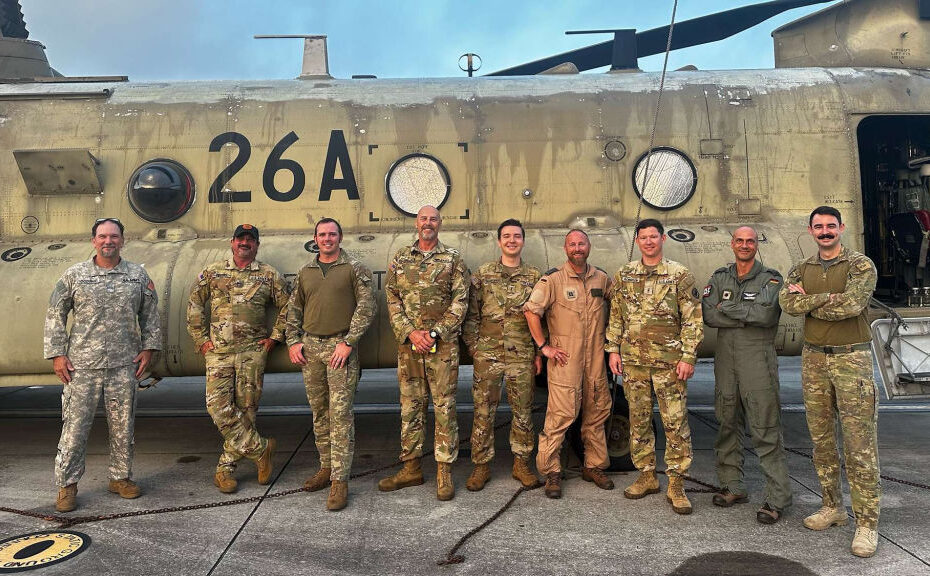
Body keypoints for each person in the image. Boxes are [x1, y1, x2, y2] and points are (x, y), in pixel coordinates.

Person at [779, 205, 880, 558]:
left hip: (851, 357)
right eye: (819, 227)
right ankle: (832, 507)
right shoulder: (801, 268)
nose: (825, 232)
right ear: (811, 231)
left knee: (859, 445)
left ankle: (866, 523)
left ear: (841, 228)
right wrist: (819, 299)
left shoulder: (859, 265)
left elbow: (852, 305)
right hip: (815, 358)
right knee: (821, 441)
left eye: (830, 226)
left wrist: (808, 301)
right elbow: (787, 303)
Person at [45, 218, 162, 513]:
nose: (108, 241)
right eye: (102, 236)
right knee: (75, 428)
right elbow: (55, 313)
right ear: (93, 240)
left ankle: (120, 477)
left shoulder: (137, 275)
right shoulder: (75, 275)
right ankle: (67, 485)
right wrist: (58, 354)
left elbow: (150, 314)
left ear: (122, 240)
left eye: (113, 236)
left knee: (123, 426)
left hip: (124, 364)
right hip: (81, 366)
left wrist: (148, 349)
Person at [606, 218, 703, 515]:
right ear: (637, 241)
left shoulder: (679, 274)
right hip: (634, 362)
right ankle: (647, 475)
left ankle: (676, 482)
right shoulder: (625, 274)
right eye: (643, 237)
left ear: (662, 239)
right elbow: (617, 315)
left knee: (675, 423)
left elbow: (692, 319)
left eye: (653, 236)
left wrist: (688, 356)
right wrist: (613, 349)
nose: (648, 241)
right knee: (639, 421)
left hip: (668, 363)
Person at [187, 224, 290, 494]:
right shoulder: (213, 272)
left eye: (250, 240)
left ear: (257, 245)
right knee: (217, 406)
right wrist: (201, 340)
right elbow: (195, 302)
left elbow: (288, 307)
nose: (245, 243)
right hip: (219, 352)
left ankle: (225, 469)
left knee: (246, 410)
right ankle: (260, 448)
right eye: (240, 239)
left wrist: (275, 338)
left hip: (251, 353)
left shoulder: (268, 275)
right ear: (232, 242)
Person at [702, 226, 792, 524]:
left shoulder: (772, 279)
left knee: (764, 426)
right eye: (739, 241)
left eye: (749, 241)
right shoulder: (719, 277)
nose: (744, 245)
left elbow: (766, 316)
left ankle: (777, 498)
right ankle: (733, 486)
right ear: (732, 244)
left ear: (756, 245)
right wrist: (745, 313)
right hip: (726, 359)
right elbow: (708, 315)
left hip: (757, 359)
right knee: (726, 420)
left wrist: (727, 308)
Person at [380, 205, 470, 501]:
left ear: (439, 224)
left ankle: (444, 471)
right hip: (409, 347)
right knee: (411, 407)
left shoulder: (452, 259)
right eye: (423, 219)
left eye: (433, 219)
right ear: (416, 224)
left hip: (441, 347)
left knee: (444, 408)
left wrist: (433, 333)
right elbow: (391, 297)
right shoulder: (402, 257)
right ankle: (412, 467)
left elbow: (460, 302)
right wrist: (409, 332)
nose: (428, 223)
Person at [286, 218, 375, 511]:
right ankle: (325, 467)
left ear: (340, 237)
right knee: (319, 412)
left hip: (340, 348)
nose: (327, 239)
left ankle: (340, 480)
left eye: (332, 234)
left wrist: (348, 342)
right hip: (310, 348)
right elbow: (294, 309)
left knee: (340, 414)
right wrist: (293, 341)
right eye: (322, 234)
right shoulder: (306, 272)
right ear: (315, 238)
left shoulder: (354, 268)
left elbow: (366, 306)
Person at [523, 229, 613, 499]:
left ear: (588, 246)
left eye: (581, 243)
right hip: (566, 361)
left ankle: (594, 466)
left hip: (595, 359)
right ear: (566, 248)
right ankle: (551, 471)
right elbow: (531, 311)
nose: (577, 248)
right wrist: (543, 346)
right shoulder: (553, 279)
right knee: (560, 417)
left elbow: (619, 305)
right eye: (572, 244)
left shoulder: (602, 278)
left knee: (596, 415)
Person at [462, 219, 542, 491]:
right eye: (506, 236)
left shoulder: (533, 276)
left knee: (523, 413)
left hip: (521, 356)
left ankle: (521, 464)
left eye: (516, 236)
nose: (511, 240)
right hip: (489, 356)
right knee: (483, 412)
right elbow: (471, 315)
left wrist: (537, 351)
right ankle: (481, 466)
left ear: (522, 241)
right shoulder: (484, 274)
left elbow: (541, 316)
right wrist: (474, 347)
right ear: (499, 241)